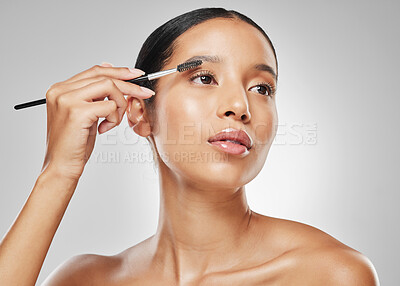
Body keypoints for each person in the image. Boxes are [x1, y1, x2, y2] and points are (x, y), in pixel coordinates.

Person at [0, 7, 379, 286]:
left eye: (262, 88)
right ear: (140, 112)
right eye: (204, 77)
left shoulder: (328, 273)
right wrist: (57, 174)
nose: (240, 107)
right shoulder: (83, 279)